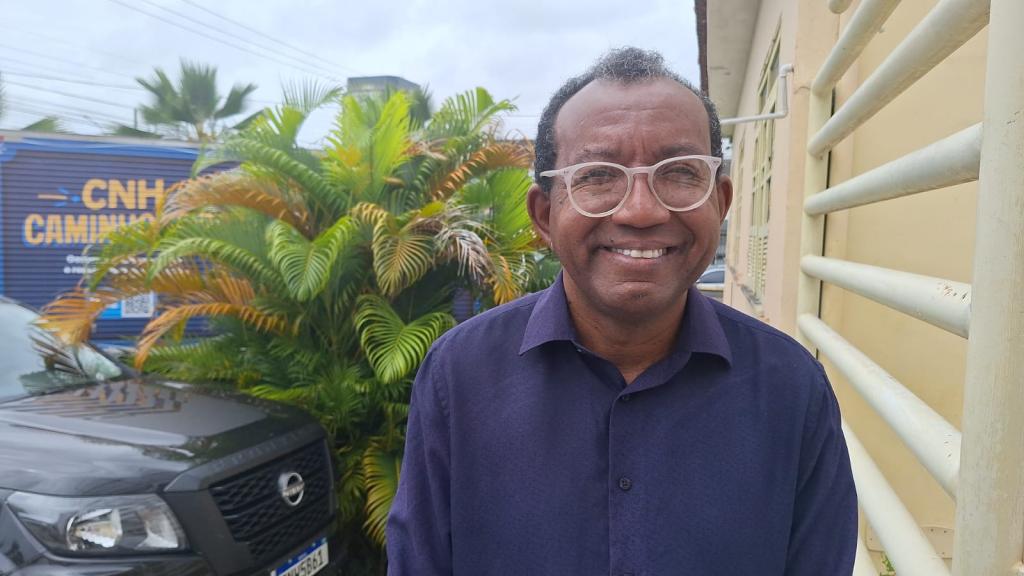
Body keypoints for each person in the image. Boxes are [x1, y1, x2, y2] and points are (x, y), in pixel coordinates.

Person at [386, 47, 857, 575]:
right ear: (544, 215)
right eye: (598, 176)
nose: (641, 210)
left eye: (679, 172)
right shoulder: (459, 377)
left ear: (720, 202)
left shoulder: (791, 390)